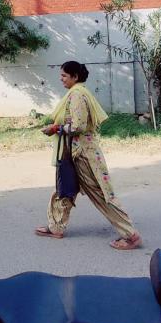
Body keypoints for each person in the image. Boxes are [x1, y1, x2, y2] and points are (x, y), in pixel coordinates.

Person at [35, 60, 142, 250]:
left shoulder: (77, 95)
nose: (61, 79)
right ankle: (56, 227)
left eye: (64, 76)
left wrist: (55, 128)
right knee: (64, 187)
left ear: (75, 77)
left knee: (100, 193)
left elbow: (78, 126)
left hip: (83, 154)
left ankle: (130, 235)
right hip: (74, 152)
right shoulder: (79, 92)